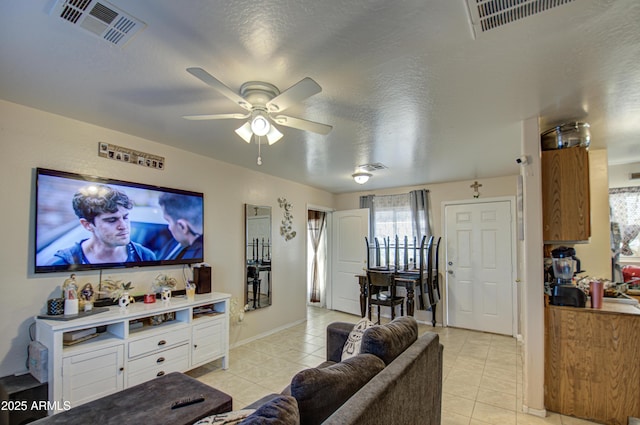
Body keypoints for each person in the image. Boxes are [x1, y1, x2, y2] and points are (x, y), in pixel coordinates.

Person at [50, 184, 156, 265]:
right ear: (87, 225)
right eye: (112, 220)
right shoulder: (65, 262)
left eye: (125, 217)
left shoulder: (145, 256)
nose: (123, 226)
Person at [157, 193, 203, 260]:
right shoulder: (174, 245)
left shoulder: (192, 255)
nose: (169, 228)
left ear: (182, 226)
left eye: (169, 221)